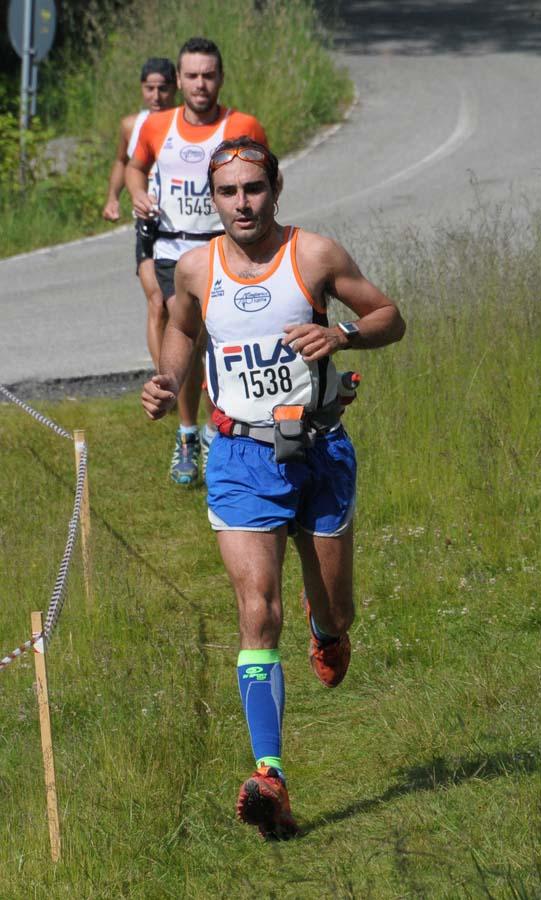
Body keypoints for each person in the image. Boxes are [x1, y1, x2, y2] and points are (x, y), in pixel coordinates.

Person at [141, 137, 406, 838]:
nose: (241, 204)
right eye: (228, 193)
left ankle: (330, 632)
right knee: (258, 613)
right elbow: (180, 329)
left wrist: (342, 336)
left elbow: (390, 317)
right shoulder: (197, 268)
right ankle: (270, 776)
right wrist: (169, 382)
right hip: (239, 458)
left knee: (336, 610)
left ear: (275, 188)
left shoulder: (314, 255)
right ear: (213, 198)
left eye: (253, 189)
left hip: (317, 452)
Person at [127, 38, 268, 486]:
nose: (200, 84)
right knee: (181, 334)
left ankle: (218, 431)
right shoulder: (156, 126)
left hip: (223, 250)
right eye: (192, 76)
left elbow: (267, 178)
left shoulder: (242, 124)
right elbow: (135, 166)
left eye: (208, 75)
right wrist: (137, 193)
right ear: (179, 81)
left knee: (220, 342)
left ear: (220, 78)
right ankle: (187, 434)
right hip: (173, 250)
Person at [102, 58, 177, 370]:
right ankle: (164, 383)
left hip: (185, 227)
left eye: (163, 89)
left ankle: (193, 375)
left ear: (176, 88)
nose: (156, 96)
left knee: (184, 309)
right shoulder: (132, 125)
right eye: (150, 89)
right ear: (142, 89)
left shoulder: (187, 125)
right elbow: (122, 161)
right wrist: (113, 198)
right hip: (149, 225)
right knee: (158, 303)